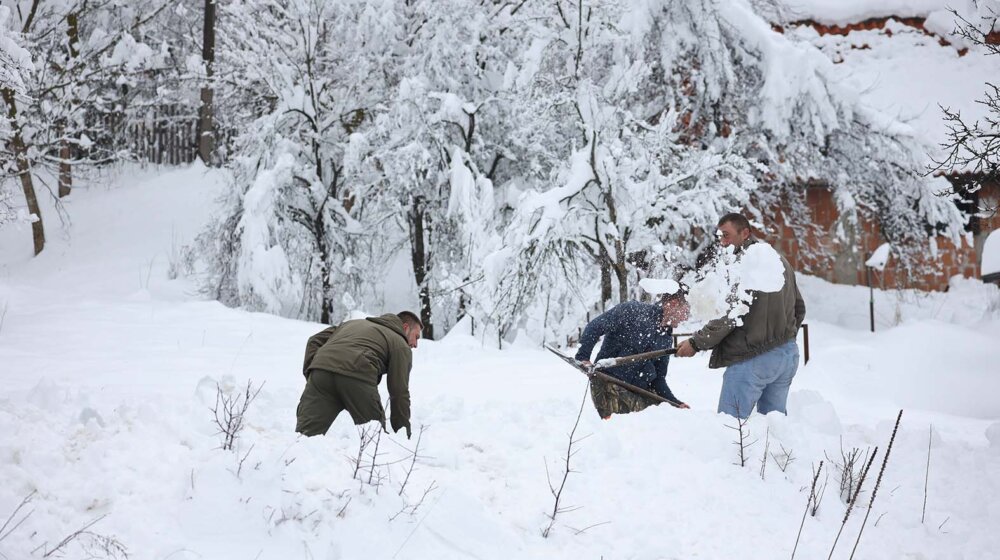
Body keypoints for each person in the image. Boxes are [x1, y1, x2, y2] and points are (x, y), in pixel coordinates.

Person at [675, 213, 806, 418]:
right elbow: (799, 308)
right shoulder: (780, 261)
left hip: (753, 358)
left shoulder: (745, 265)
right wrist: (783, 339)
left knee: (731, 427)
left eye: (726, 235)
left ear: (745, 233)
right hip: (787, 355)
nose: (722, 242)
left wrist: (696, 342)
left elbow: (731, 315)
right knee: (775, 427)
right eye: (719, 236)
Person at [296, 311, 422, 438]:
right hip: (357, 375)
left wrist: (312, 374)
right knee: (372, 437)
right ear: (405, 328)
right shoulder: (400, 343)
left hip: (321, 374)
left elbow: (314, 340)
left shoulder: (351, 324)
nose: (416, 345)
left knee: (305, 439)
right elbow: (399, 391)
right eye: (416, 337)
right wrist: (402, 434)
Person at [575, 290, 691, 418]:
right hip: (610, 384)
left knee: (667, 417)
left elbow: (659, 379)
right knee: (644, 421)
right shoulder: (633, 311)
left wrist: (675, 403)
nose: (685, 318)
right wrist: (583, 357)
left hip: (640, 390)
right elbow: (594, 327)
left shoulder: (666, 339)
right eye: (685, 312)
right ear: (673, 304)